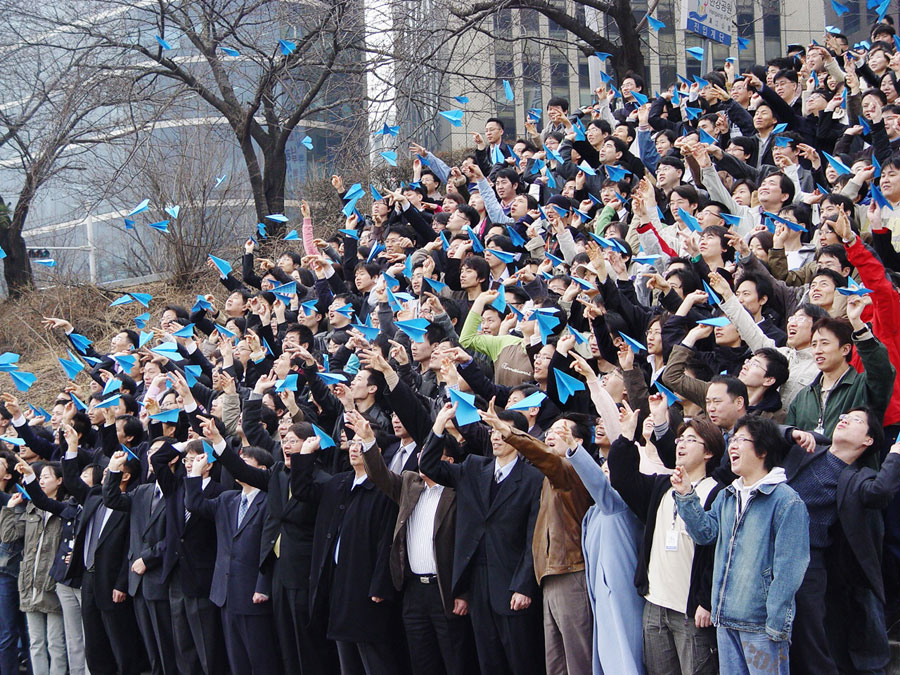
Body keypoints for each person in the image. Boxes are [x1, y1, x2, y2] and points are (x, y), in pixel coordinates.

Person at [672, 415, 810, 674]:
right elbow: (705, 534)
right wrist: (686, 495)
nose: (732, 446)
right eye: (732, 440)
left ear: (763, 449)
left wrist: (776, 626)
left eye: (740, 440)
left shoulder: (786, 501)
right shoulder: (728, 495)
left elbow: (790, 569)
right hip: (725, 620)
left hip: (761, 625)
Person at [420, 402, 545, 674]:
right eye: (493, 431)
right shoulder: (474, 468)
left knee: (522, 660)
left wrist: (524, 585)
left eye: (503, 431)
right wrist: (439, 425)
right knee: (488, 661)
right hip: (477, 584)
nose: (496, 436)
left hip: (512, 584)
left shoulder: (534, 478)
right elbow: (429, 466)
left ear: (520, 437)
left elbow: (533, 537)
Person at [184, 446, 281, 675]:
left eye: (245, 462)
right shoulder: (228, 498)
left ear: (262, 470)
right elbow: (195, 504)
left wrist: (263, 587)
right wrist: (195, 474)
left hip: (254, 594)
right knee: (237, 662)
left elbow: (269, 549)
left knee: (261, 660)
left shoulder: (269, 502)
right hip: (225, 593)